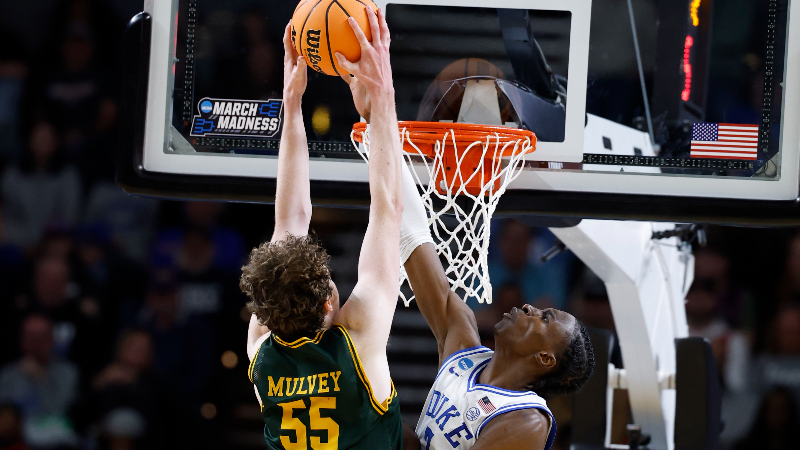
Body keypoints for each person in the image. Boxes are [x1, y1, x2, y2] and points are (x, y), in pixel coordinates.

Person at [241, 10, 412, 450]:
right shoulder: (356, 341)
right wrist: (376, 95)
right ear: (327, 304)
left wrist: (380, 102)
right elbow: (292, 220)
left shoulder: (262, 351)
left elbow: (387, 210)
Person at [395, 155, 595, 450]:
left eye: (544, 318)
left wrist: (398, 434)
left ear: (544, 358)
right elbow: (414, 239)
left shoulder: (527, 421)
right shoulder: (462, 349)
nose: (529, 307)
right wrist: (389, 150)